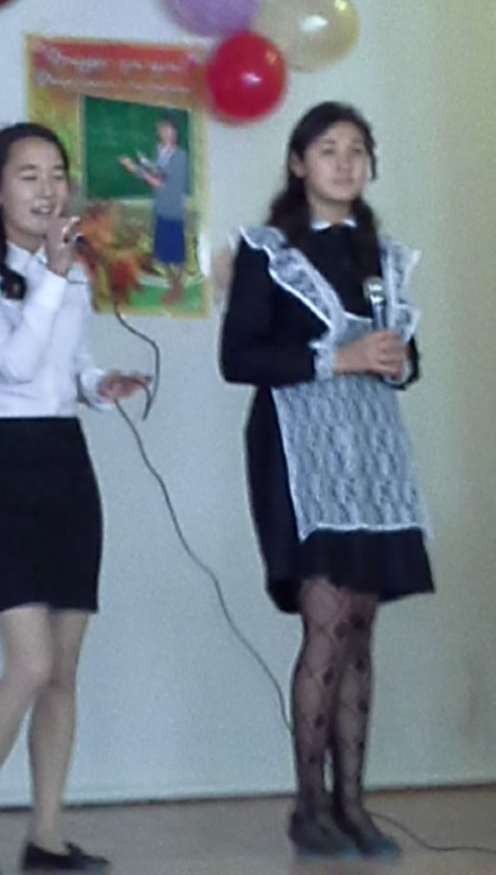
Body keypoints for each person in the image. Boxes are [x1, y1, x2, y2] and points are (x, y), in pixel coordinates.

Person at [220, 102, 434, 860]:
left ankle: (354, 806)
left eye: (357, 151)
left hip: (369, 454)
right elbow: (239, 358)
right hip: (295, 452)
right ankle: (308, 807)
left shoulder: (383, 257)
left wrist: (398, 362)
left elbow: (405, 358)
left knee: (363, 630)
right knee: (328, 622)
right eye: (328, 149)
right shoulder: (267, 250)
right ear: (297, 163)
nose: (345, 163)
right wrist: (336, 359)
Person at [0, 122, 149, 874]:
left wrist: (99, 384)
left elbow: (67, 365)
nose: (47, 189)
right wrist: (54, 277)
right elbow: (17, 362)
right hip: (5, 472)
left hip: (67, 468)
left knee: (62, 670)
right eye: (28, 176)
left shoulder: (70, 276)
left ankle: (47, 837)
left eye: (56, 174)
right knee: (27, 665)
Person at [119, 112, 189, 306]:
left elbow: (162, 182)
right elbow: (158, 172)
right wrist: (146, 164)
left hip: (172, 208)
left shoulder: (180, 156)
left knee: (177, 253)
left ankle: (177, 289)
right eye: (161, 129)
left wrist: (135, 169)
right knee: (162, 252)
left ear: (175, 132)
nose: (164, 133)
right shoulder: (159, 151)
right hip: (159, 207)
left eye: (168, 129)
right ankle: (175, 288)